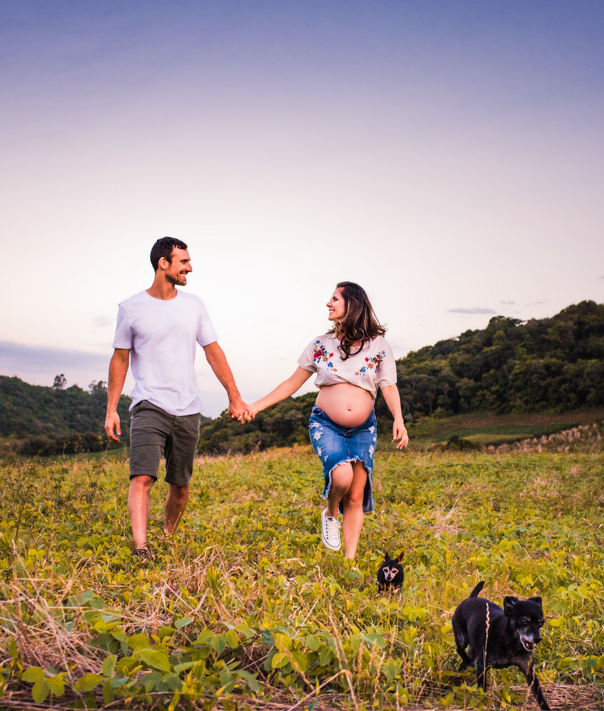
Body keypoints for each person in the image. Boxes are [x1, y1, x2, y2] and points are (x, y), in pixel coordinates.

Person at [104, 237, 251, 558]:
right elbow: (120, 358)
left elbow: (213, 352)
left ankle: (168, 538)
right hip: (148, 405)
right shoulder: (130, 308)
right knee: (142, 477)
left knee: (180, 485)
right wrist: (111, 408)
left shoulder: (194, 306)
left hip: (188, 408)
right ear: (163, 264)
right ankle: (141, 547)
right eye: (183, 261)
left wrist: (235, 396)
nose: (190, 268)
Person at [248, 282, 408, 559]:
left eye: (334, 299)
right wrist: (255, 406)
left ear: (352, 304)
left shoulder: (379, 346)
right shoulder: (321, 344)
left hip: (363, 429)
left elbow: (388, 386)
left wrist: (399, 419)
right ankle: (331, 512)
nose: (328, 303)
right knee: (342, 476)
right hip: (326, 424)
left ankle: (349, 561)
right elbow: (291, 383)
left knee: (356, 495)